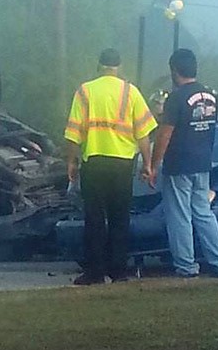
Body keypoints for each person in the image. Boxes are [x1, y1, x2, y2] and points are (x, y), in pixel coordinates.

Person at [65, 48, 157, 285]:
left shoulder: (85, 91)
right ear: (119, 67)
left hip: (94, 161)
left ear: (99, 65)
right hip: (123, 164)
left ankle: (94, 273)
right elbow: (144, 134)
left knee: (94, 218)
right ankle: (118, 271)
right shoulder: (131, 92)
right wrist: (148, 164)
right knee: (120, 218)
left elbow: (73, 133)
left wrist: (71, 162)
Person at [149, 49, 218, 279]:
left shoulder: (176, 98)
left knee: (179, 215)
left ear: (174, 70)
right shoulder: (210, 96)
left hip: (179, 164)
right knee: (203, 213)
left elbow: (165, 134)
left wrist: (153, 164)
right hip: (203, 162)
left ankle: (186, 266)